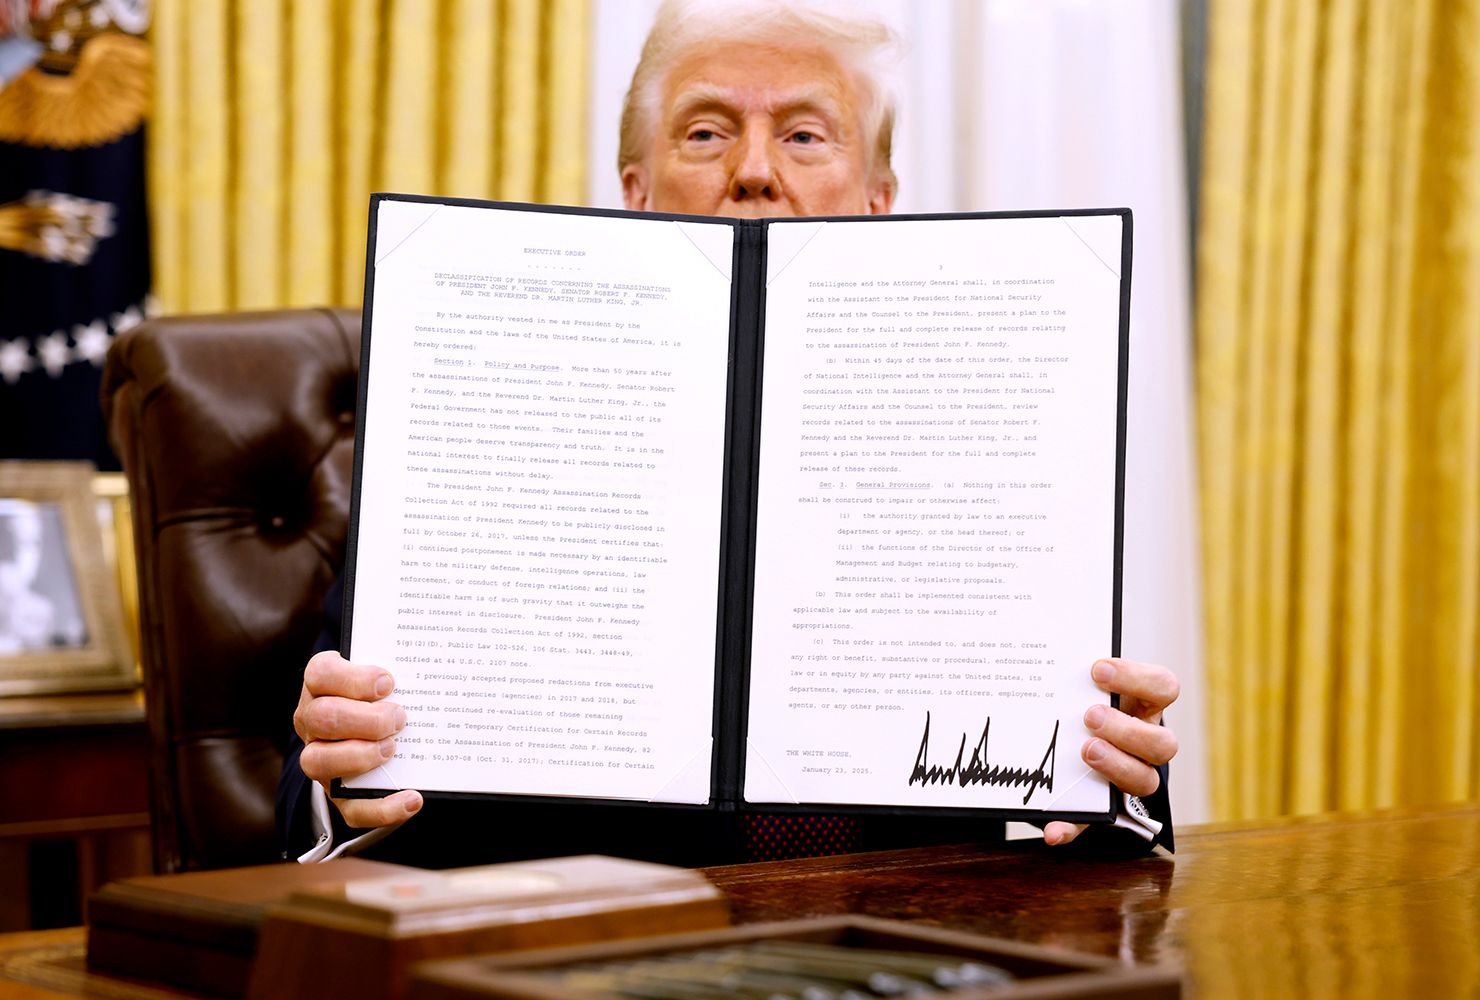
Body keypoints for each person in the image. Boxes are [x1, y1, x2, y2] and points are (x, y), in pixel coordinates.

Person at [279, 0, 1180, 866]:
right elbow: (311, 806)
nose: (753, 170)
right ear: (636, 192)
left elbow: (1089, 837)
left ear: (878, 198)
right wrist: (346, 780)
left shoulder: (1000, 447)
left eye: (804, 135)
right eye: (706, 131)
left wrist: (1117, 786)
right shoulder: (487, 430)